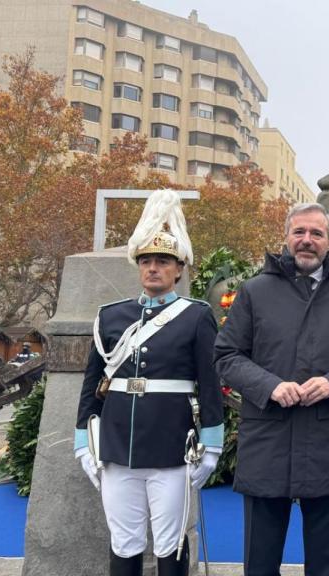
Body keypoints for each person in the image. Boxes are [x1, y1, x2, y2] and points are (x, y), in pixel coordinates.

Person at [214, 203, 329, 576]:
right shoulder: (255, 291)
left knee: (323, 561)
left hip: (327, 440)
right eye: (299, 232)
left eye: (316, 234)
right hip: (268, 437)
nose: (307, 241)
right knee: (260, 560)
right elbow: (226, 355)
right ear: (286, 238)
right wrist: (269, 386)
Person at [75, 189, 224, 576]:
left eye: (163, 261)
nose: (153, 268)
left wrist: (211, 444)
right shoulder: (110, 317)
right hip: (117, 443)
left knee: (171, 540)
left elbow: (209, 383)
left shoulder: (195, 316)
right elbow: (93, 385)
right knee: (123, 540)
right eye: (146, 261)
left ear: (179, 269)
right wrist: (83, 442)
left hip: (171, 445)